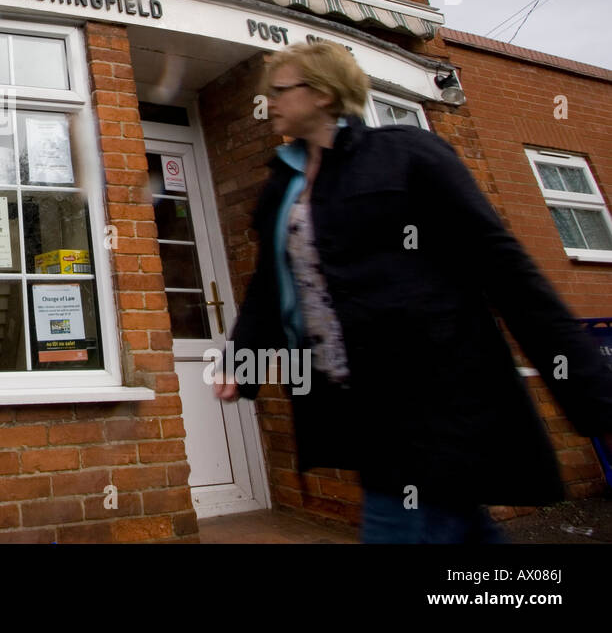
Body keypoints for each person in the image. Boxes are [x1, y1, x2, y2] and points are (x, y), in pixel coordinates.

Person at [212, 41, 612, 543]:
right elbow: (272, 287)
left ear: (321, 93)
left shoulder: (404, 154)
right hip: (355, 402)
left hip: (431, 390)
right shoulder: (283, 185)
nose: (267, 102)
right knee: (456, 526)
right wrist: (241, 362)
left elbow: (503, 265)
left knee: (403, 521)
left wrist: (587, 387)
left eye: (279, 91)